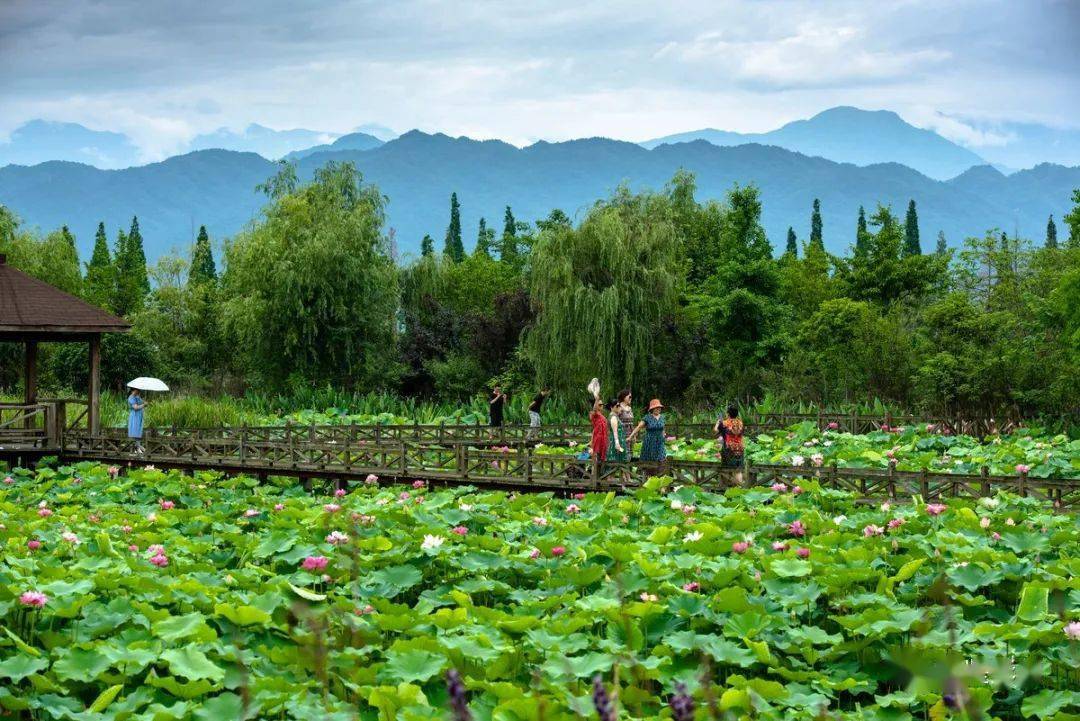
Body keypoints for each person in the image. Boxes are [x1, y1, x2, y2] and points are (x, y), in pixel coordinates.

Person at [714, 403, 745, 483]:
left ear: (728, 414)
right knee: (738, 470)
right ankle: (739, 487)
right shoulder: (740, 423)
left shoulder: (724, 423)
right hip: (740, 449)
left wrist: (717, 423)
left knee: (725, 469)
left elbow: (715, 431)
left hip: (728, 449)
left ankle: (726, 487)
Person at [588, 394, 609, 462]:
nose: (602, 406)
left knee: (602, 459)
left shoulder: (602, 415)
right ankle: (595, 472)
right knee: (596, 460)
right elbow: (595, 409)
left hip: (604, 438)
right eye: (599, 405)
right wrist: (596, 400)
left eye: (602, 404)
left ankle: (600, 472)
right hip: (598, 439)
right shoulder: (593, 414)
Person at [616, 389, 635, 458]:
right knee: (622, 451)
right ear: (624, 397)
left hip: (630, 433)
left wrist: (634, 435)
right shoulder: (619, 407)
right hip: (622, 433)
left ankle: (628, 468)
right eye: (629, 397)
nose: (630, 398)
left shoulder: (630, 408)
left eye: (631, 397)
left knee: (630, 452)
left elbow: (632, 423)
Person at [127, 388, 147, 453]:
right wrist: (144, 405)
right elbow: (135, 407)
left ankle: (138, 447)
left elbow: (141, 402)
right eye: (137, 390)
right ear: (133, 390)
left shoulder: (137, 397)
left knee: (138, 431)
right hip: (135, 416)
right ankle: (136, 448)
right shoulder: (131, 397)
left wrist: (145, 403)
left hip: (139, 416)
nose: (138, 391)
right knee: (135, 430)